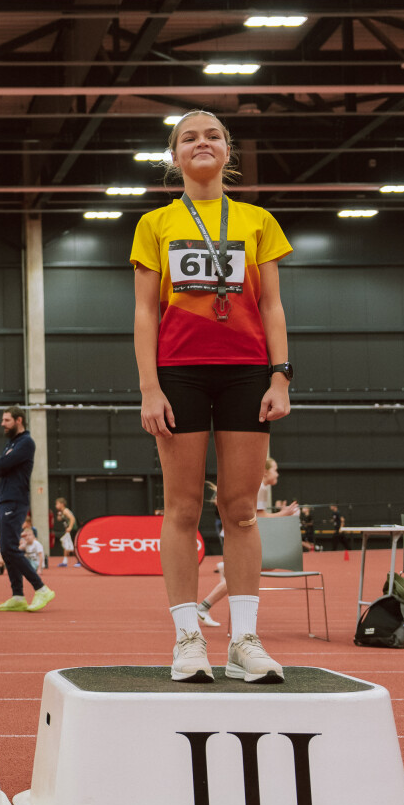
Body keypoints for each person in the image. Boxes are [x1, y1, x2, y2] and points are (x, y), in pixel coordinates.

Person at [132, 109, 293, 683]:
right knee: (181, 508)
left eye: (213, 136)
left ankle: (244, 641)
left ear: (228, 150)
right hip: (179, 373)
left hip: (247, 372)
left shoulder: (257, 220)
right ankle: (187, 639)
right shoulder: (154, 223)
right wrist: (150, 387)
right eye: (189, 138)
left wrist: (280, 376)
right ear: (175, 156)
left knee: (242, 509)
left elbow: (271, 304)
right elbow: (145, 311)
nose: (202, 143)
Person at [197, 477, 299, 629]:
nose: (277, 475)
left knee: (256, 570)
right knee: (244, 574)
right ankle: (203, 607)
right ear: (266, 472)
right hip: (240, 534)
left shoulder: (256, 485)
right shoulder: (260, 487)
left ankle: (206, 603)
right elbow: (260, 517)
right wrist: (284, 513)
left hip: (241, 533)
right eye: (275, 470)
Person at [0, 407, 54, 611]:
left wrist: (3, 463)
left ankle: (41, 588)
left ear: (19, 420)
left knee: (9, 548)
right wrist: (3, 463)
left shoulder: (26, 442)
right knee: (6, 549)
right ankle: (18, 595)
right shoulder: (11, 443)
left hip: (16, 500)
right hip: (6, 500)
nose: (2, 424)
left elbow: (2, 465)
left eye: (6, 420)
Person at [51, 497, 78, 567]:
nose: (56, 506)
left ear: (62, 504)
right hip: (68, 530)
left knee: (72, 545)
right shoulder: (62, 511)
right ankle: (65, 562)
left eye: (57, 504)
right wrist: (59, 514)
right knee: (66, 545)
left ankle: (79, 561)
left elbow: (72, 518)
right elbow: (59, 519)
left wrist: (70, 527)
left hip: (73, 530)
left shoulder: (66, 511)